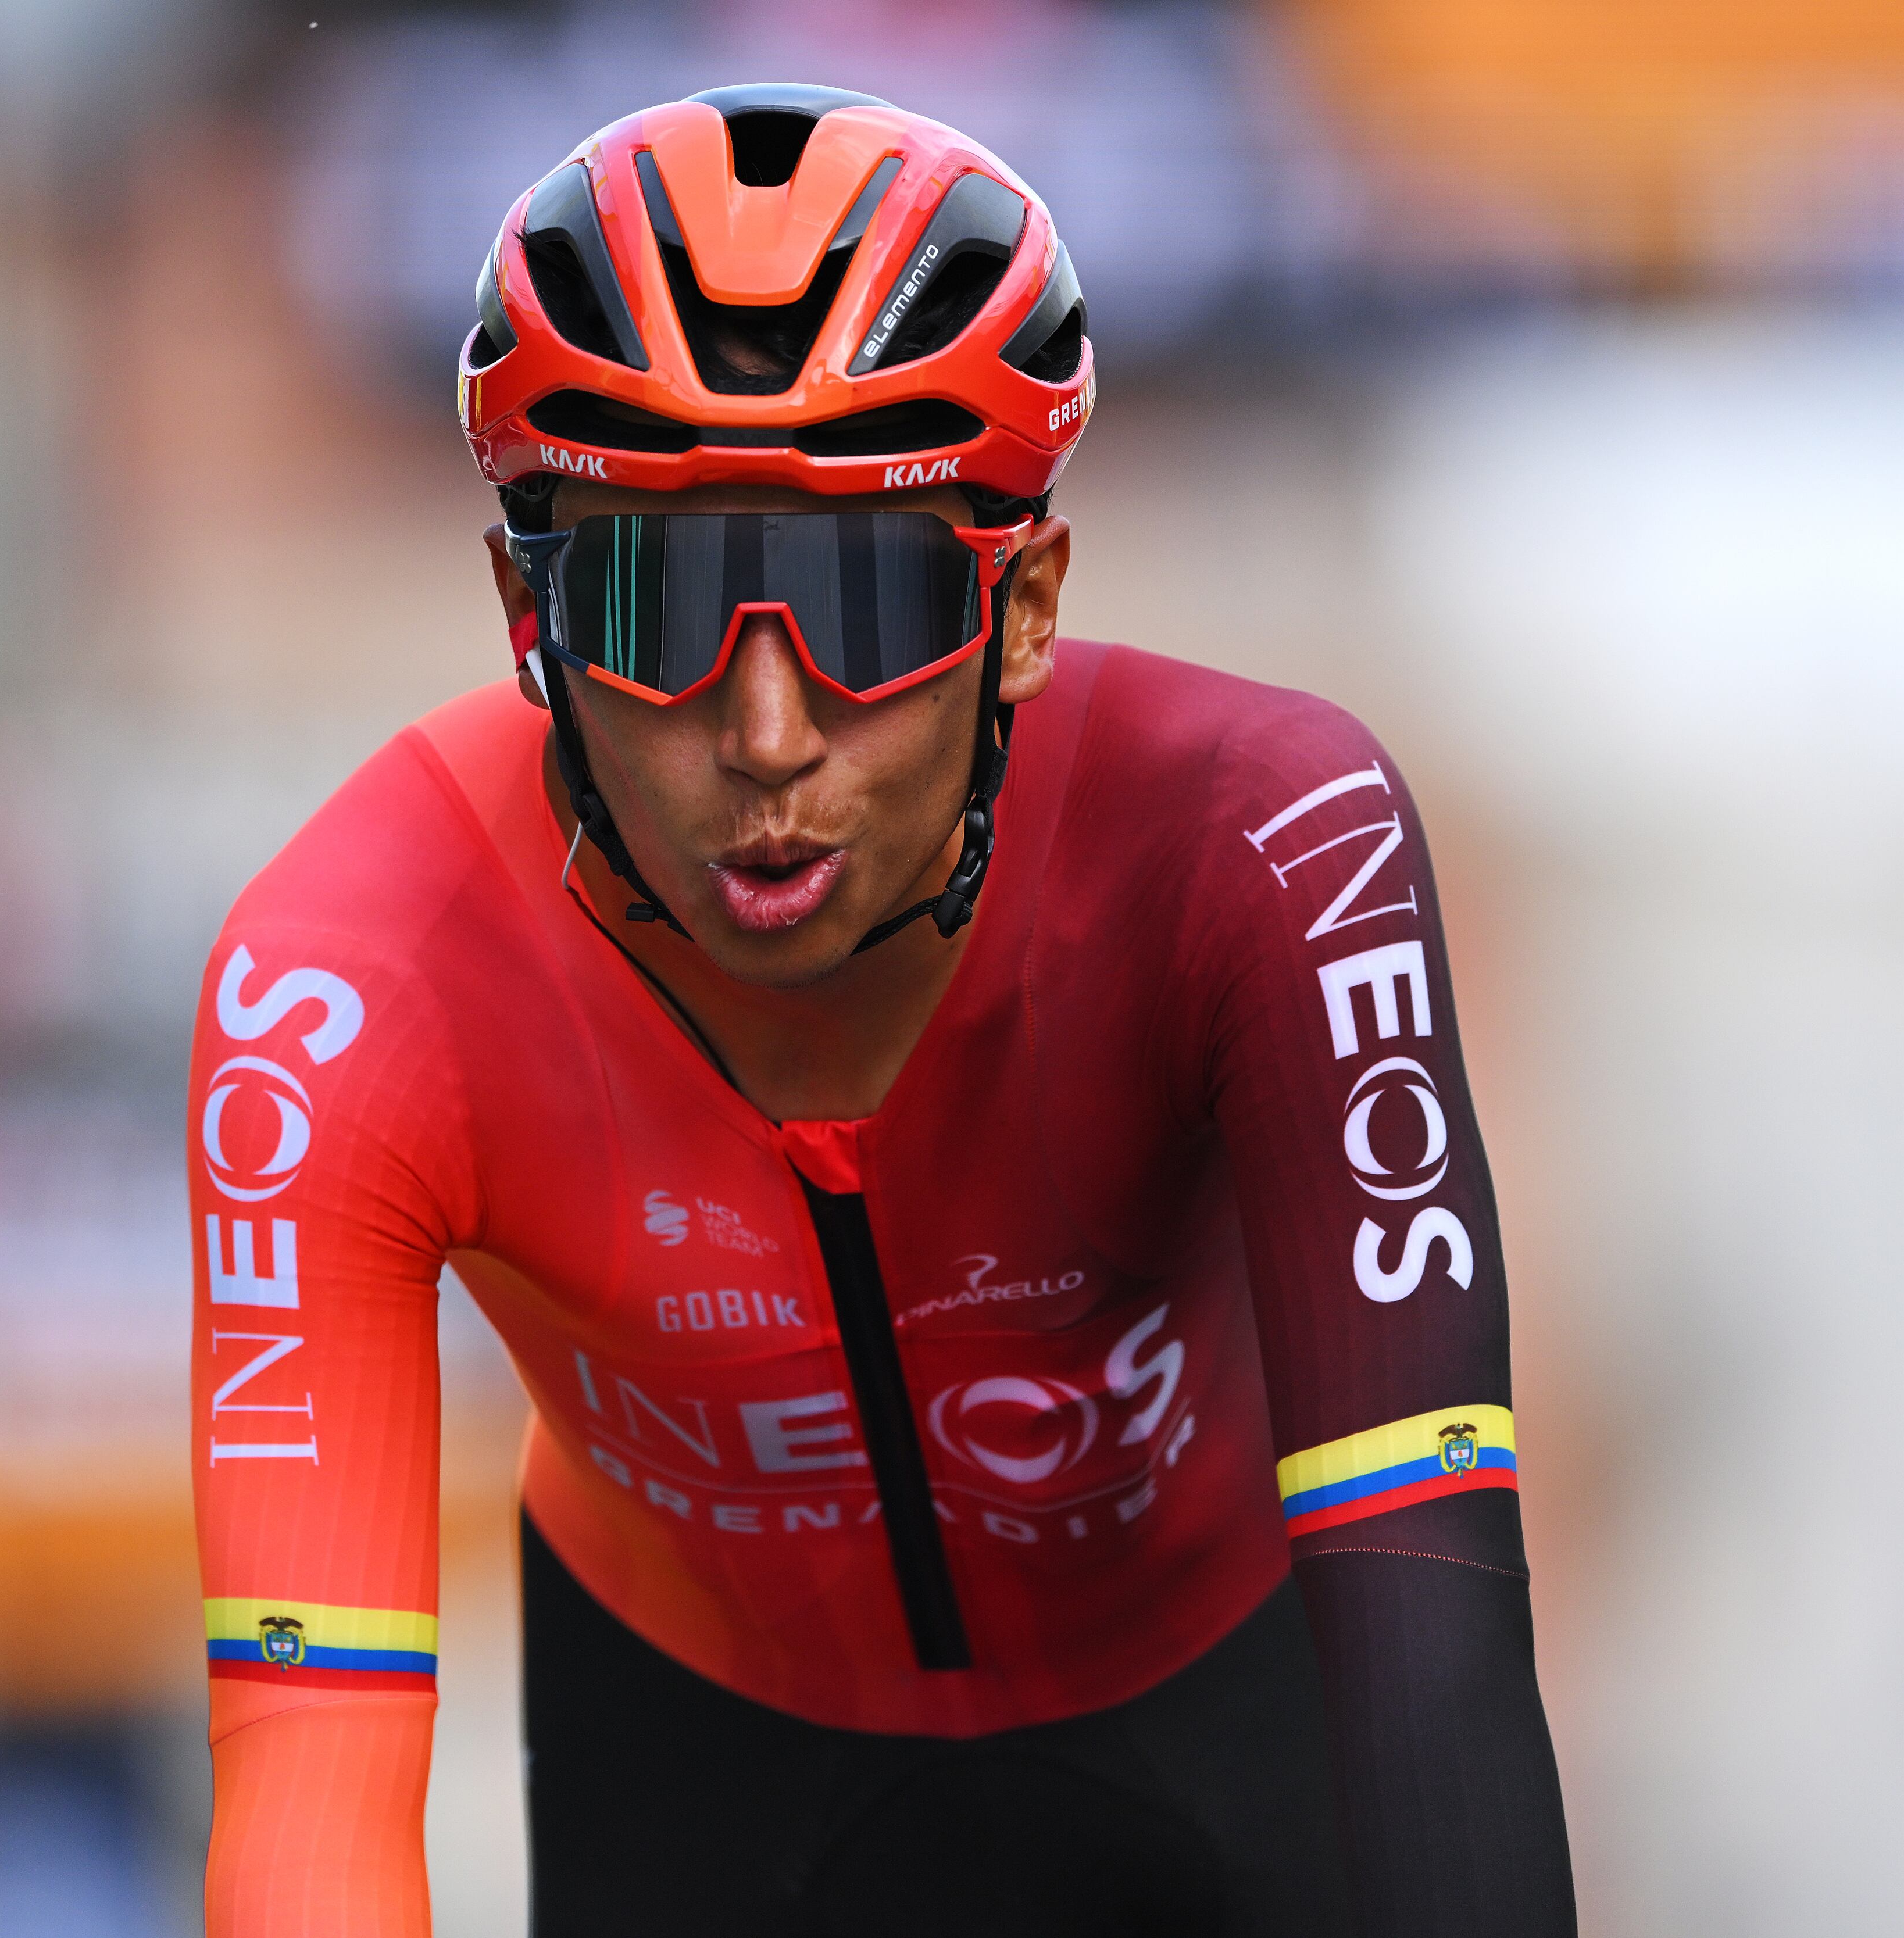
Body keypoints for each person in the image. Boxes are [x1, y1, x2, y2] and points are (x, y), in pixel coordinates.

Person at [192, 84, 1573, 1936]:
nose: (769, 737)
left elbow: (1432, 1628)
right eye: (660, 602)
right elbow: (309, 1785)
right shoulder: (348, 988)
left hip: (1235, 1720)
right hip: (702, 1770)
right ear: (531, 618)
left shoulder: (1264, 844)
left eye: (869, 598)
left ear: (1027, 608)